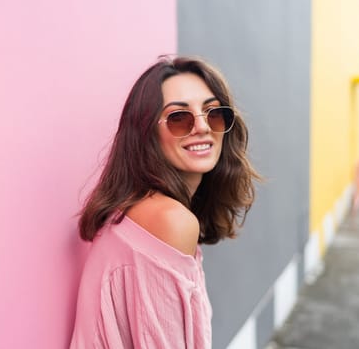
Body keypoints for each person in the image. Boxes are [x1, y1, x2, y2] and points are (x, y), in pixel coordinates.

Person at [70, 56, 260, 348]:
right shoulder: (168, 220)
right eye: (179, 118)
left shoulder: (144, 211)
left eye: (214, 114)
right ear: (147, 134)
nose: (202, 127)